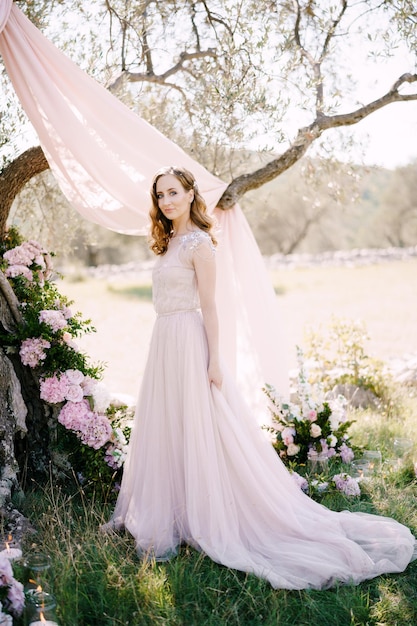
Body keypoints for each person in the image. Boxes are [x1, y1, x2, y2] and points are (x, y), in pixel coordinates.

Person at [103, 165, 416, 590]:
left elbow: (211, 307)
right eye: (160, 195)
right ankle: (171, 512)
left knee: (205, 427)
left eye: (174, 192)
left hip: (190, 341)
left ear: (191, 194)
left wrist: (214, 361)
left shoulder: (199, 244)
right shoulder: (168, 242)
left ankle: (213, 513)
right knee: (167, 424)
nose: (167, 201)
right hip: (163, 341)